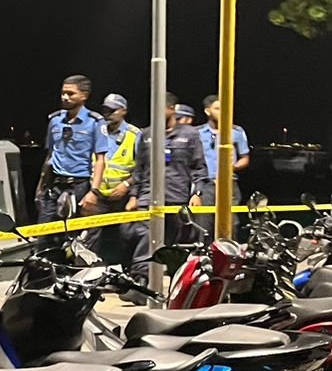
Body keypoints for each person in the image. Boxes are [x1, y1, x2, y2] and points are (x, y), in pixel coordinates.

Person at [121, 92, 208, 287]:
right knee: (146, 237)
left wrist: (197, 193)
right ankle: (140, 280)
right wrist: (134, 196)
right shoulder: (146, 135)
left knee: (175, 244)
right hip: (148, 197)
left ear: (171, 109)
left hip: (177, 197)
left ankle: (177, 284)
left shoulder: (189, 135)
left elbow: (199, 167)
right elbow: (140, 169)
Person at [37, 75, 108, 223]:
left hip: (78, 185)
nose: (65, 97)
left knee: (73, 231)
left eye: (70, 94)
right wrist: (40, 187)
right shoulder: (55, 120)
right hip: (54, 184)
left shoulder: (95, 122)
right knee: (43, 230)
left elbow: (100, 160)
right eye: (63, 93)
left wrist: (94, 192)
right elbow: (50, 154)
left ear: (84, 96)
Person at [85, 93, 140, 216]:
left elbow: (143, 168)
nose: (107, 114)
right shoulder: (96, 132)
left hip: (123, 196)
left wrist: (127, 184)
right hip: (96, 195)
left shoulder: (134, 135)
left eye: (112, 110)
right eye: (105, 110)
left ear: (124, 111)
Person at [198, 95, 250, 203]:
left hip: (229, 182)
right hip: (205, 182)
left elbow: (245, 157)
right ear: (207, 111)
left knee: (229, 213)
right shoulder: (198, 133)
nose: (221, 112)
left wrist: (233, 167)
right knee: (204, 213)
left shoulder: (236, 131)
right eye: (217, 109)